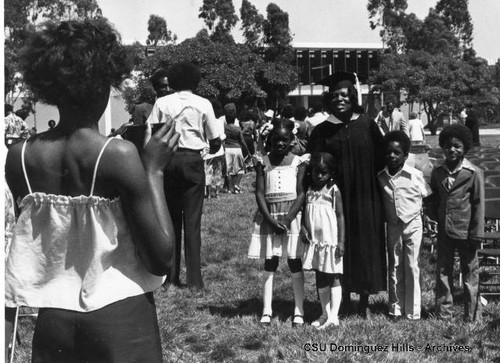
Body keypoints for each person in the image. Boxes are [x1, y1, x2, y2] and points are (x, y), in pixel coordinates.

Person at [5, 18, 178, 362]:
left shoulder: (20, 157)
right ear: (103, 82)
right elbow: (161, 259)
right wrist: (154, 170)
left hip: (52, 318)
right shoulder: (116, 154)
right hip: (120, 320)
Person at [308, 71, 386, 317]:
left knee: (364, 244)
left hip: (365, 196)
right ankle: (341, 299)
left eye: (344, 95)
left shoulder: (367, 124)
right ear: (329, 100)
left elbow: (382, 157)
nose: (340, 99)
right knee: (338, 244)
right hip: (335, 199)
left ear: (352, 96)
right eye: (335, 96)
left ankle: (363, 299)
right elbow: (314, 167)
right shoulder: (322, 131)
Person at [146, 61, 221, 290]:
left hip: (168, 160)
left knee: (170, 219)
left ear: (174, 81)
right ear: (195, 80)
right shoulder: (203, 104)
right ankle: (195, 281)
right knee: (192, 221)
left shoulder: (162, 102)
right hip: (192, 160)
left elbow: (151, 133)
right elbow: (215, 139)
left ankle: (170, 277)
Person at [248, 119, 307, 327]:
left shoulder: (298, 162)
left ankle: (298, 310)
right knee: (270, 261)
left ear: (292, 141)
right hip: (269, 216)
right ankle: (267, 310)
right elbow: (260, 192)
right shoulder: (263, 162)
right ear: (269, 140)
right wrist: (270, 219)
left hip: (291, 216)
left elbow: (301, 193)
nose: (280, 144)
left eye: (284, 140)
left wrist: (289, 218)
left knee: (294, 260)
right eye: (276, 140)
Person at [424, 124, 484, 322]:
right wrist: (431, 217)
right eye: (448, 146)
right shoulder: (438, 171)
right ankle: (444, 313)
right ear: (442, 147)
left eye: (457, 146)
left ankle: (473, 316)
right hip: (444, 230)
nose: (452, 150)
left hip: (467, 232)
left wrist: (477, 234)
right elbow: (433, 199)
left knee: (470, 273)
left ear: (465, 147)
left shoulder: (473, 172)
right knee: (443, 272)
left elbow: (478, 204)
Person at [377, 131, 429, 321]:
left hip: (413, 223)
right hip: (393, 225)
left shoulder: (414, 174)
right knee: (395, 265)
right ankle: (395, 308)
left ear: (405, 156)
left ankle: (413, 311)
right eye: (388, 152)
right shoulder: (381, 176)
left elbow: (427, 196)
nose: (392, 156)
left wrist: (427, 218)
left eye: (397, 153)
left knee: (412, 265)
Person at [301, 152, 345, 329]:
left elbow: (341, 217)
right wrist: (303, 228)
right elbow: (304, 212)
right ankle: (324, 313)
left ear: (331, 173)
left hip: (330, 241)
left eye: (324, 172)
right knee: (319, 274)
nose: (320, 176)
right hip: (315, 241)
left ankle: (334, 317)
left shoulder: (334, 191)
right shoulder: (309, 190)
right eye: (316, 172)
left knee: (333, 275)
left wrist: (341, 241)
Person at [223, 103, 248, 194]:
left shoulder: (224, 128)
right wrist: (247, 151)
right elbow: (242, 141)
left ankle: (229, 189)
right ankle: (237, 185)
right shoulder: (237, 129)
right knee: (240, 169)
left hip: (227, 149)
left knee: (228, 170)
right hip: (237, 149)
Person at [204, 99, 226, 198]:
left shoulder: (204, 122)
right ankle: (217, 193)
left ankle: (208, 194)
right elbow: (222, 137)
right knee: (218, 172)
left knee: (208, 172)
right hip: (219, 151)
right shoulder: (220, 122)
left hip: (208, 151)